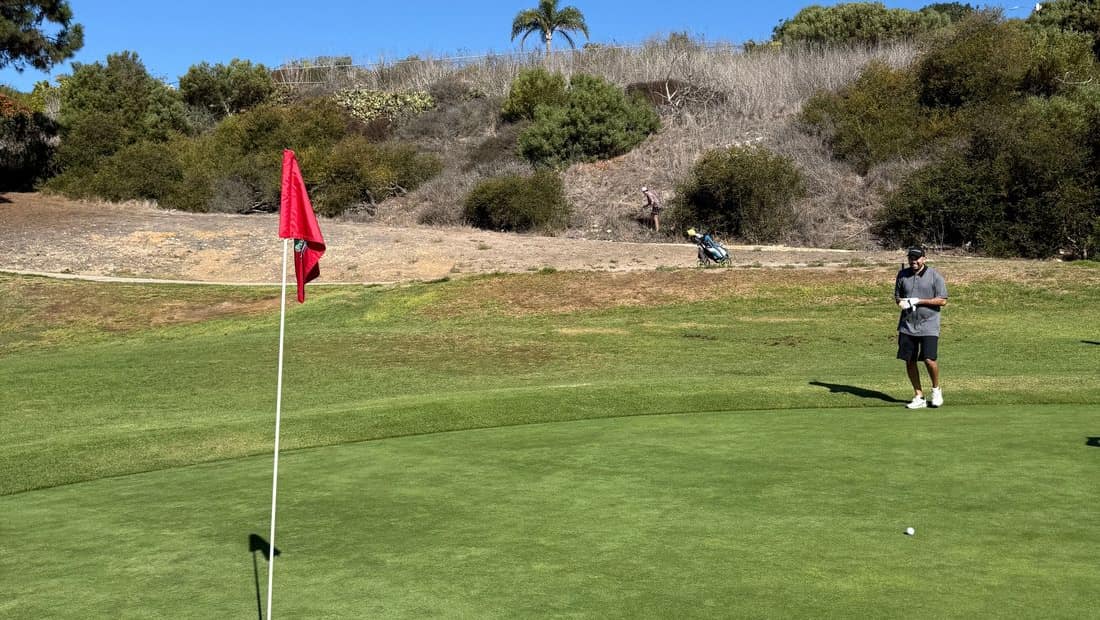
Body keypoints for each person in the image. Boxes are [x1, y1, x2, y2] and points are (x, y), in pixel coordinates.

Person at [894, 246, 949, 409]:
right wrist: (901, 303)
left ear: (924, 259)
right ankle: (919, 396)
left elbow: (942, 300)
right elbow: (897, 296)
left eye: (917, 258)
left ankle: (936, 389)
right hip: (907, 325)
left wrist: (918, 301)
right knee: (909, 360)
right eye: (911, 258)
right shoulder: (902, 275)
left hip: (929, 325)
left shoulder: (934, 276)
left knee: (929, 359)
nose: (914, 261)